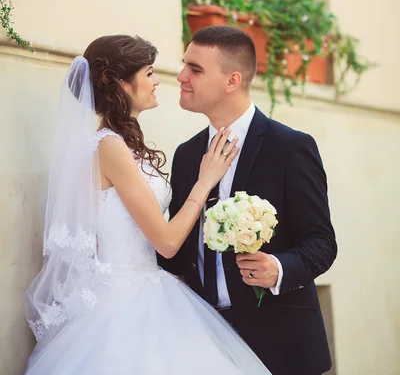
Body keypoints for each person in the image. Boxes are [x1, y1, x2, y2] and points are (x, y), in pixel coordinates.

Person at [24, 34, 271, 374]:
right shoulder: (109, 147)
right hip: (124, 301)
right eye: (149, 72)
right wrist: (206, 181)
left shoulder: (124, 146)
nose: (159, 81)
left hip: (150, 286)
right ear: (122, 84)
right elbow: (167, 243)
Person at [160, 26, 338, 375]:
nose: (181, 76)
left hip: (281, 343)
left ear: (232, 80)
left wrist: (279, 269)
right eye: (184, 65)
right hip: (204, 342)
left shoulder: (290, 148)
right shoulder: (186, 155)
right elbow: (178, 254)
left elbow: (322, 243)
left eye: (195, 69)